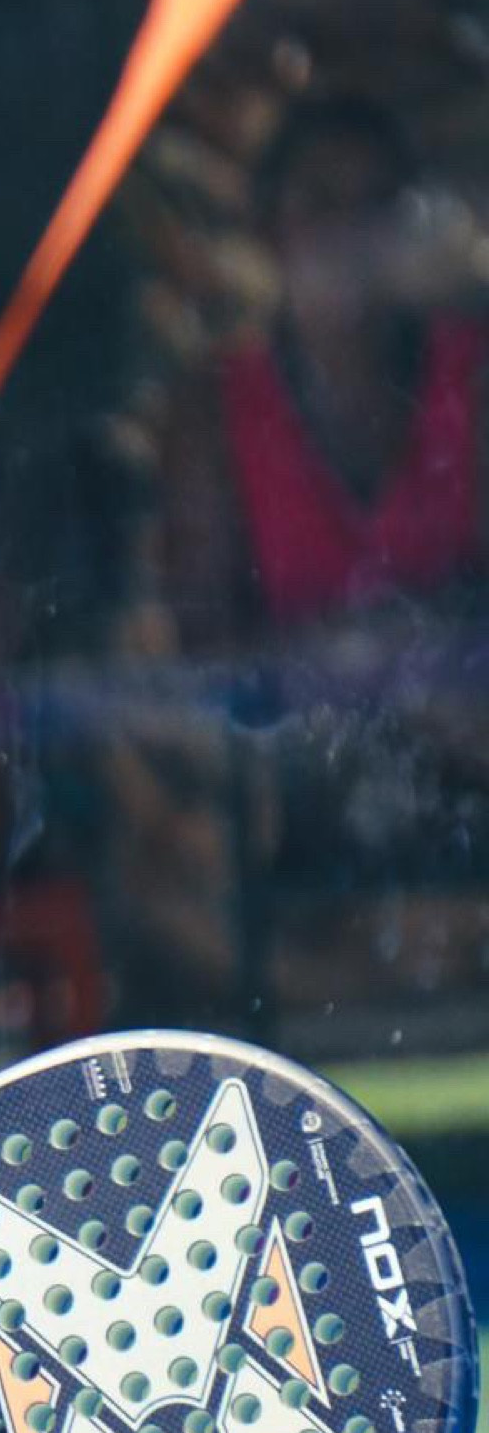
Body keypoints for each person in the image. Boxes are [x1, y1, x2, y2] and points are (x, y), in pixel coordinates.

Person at [111, 90, 489, 1021]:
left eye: (374, 203)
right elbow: (206, 649)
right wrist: (352, 659)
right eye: (321, 202)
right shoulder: (213, 409)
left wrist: (422, 658)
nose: (347, 231)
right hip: (301, 767)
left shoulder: (474, 374)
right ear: (268, 228)